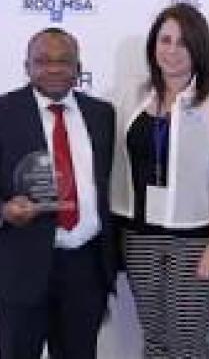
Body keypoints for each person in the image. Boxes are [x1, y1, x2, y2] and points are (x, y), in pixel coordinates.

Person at [111, 3, 209, 359]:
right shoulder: (132, 96)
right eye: (165, 40)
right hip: (139, 238)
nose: (171, 50)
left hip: (196, 241)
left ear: (198, 48)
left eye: (182, 42)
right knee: (155, 341)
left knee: (188, 344)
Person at [0, 28, 117, 359]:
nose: (54, 69)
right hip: (22, 266)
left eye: (64, 61)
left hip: (85, 267)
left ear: (78, 68)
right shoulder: (4, 113)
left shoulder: (102, 115)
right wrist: (4, 210)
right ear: (26, 67)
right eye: (42, 61)